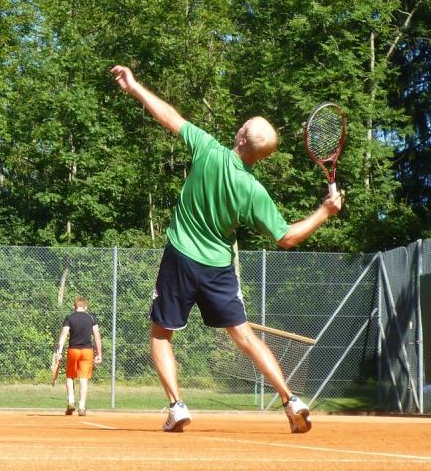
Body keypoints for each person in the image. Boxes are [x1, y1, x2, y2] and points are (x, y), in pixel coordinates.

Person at [110, 64, 343, 434]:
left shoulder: (208, 150)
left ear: (240, 138)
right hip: (218, 267)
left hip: (181, 257)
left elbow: (169, 117)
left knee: (160, 334)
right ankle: (290, 399)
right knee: (245, 336)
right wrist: (325, 211)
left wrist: (135, 87)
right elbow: (287, 237)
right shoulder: (253, 192)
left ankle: (177, 406)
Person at [54, 295, 103, 416]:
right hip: (87, 351)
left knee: (70, 376)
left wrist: (59, 352)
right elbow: (97, 336)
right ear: (85, 307)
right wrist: (99, 354)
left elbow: (63, 335)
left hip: (73, 350)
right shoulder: (91, 318)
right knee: (83, 378)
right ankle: (82, 407)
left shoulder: (69, 317)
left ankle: (71, 402)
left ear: (74, 307)